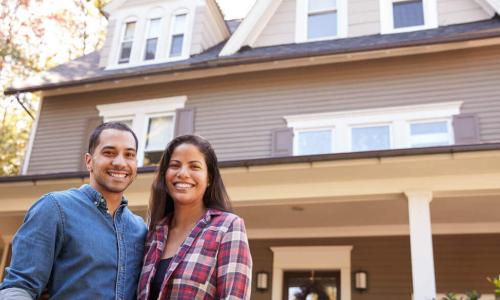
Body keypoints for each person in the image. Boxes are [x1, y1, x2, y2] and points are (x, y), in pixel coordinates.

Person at [0, 122, 147, 299]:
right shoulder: (54, 208)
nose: (120, 162)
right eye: (109, 153)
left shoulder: (140, 229)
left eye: (129, 155)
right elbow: (19, 286)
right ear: (89, 161)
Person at [137, 135, 252, 300]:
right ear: (165, 175)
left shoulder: (228, 227)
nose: (183, 173)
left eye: (194, 166)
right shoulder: (152, 235)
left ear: (209, 178)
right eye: (175, 165)